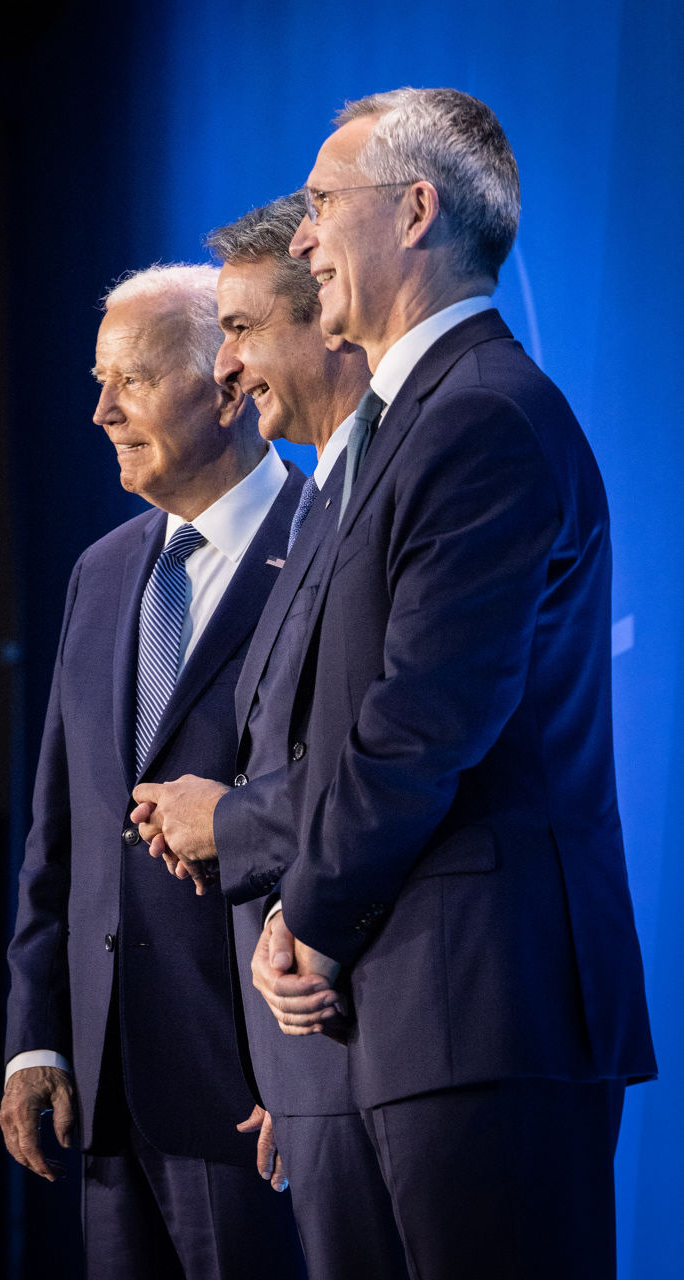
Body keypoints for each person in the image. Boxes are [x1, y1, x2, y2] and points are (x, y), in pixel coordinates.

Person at [133, 90, 657, 1279]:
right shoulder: (381, 432)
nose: (304, 238)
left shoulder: (484, 420)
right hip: (370, 1025)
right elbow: (311, 723)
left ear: (414, 211)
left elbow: (419, 728)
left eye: (322, 204)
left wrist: (304, 917)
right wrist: (285, 917)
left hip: (477, 1012)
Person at [0, 264, 307, 1280]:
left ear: (225, 384)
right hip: (103, 1090)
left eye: (128, 380)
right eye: (98, 380)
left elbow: (353, 807)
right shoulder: (100, 569)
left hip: (252, 1092)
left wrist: (305, 1072)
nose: (99, 411)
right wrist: (36, 1037)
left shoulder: (326, 546)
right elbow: (61, 829)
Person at [197, 192, 407, 1278]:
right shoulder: (319, 500)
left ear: (321, 316)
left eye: (238, 329)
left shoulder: (420, 463)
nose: (221, 368)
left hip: (392, 1006)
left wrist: (234, 829)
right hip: (319, 1035)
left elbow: (394, 745)